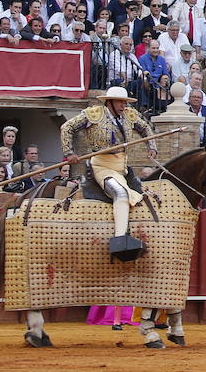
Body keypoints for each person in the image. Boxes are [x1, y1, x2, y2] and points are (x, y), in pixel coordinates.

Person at [59, 85, 156, 252]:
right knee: (121, 193)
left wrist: (151, 146)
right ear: (109, 102)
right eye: (120, 102)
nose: (123, 105)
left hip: (123, 167)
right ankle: (120, 241)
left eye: (125, 102)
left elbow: (145, 128)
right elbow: (67, 127)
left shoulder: (129, 115)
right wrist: (69, 152)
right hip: (102, 166)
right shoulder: (94, 114)